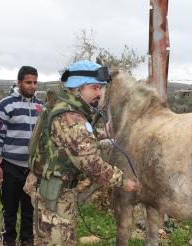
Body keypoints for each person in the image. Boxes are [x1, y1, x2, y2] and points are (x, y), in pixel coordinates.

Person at [23, 60, 139, 245]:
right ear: (78, 87)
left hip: (50, 190)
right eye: (94, 88)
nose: (99, 93)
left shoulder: (64, 108)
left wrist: (105, 133)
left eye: (100, 88)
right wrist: (125, 182)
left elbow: (75, 141)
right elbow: (91, 164)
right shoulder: (71, 118)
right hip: (54, 195)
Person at [0, 66, 43, 246]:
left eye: (35, 82)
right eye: (29, 82)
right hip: (11, 167)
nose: (32, 86)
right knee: (10, 210)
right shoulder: (5, 105)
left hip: (33, 169)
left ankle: (27, 241)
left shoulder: (41, 106)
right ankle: (8, 241)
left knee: (30, 211)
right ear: (19, 82)